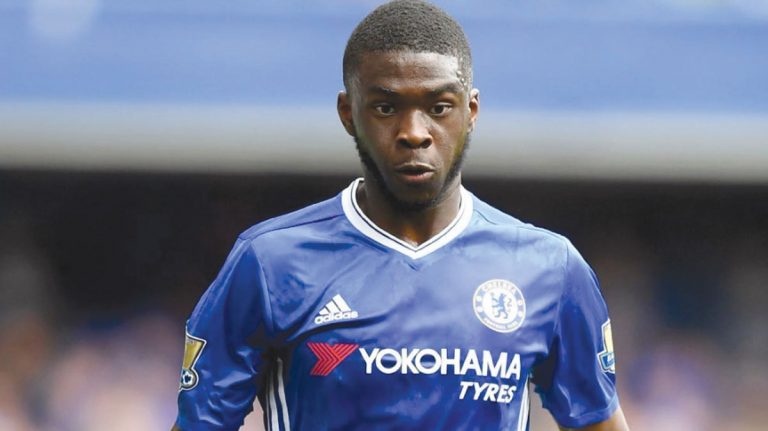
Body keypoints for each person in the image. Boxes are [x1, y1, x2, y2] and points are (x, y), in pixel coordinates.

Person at [172, 1, 630, 430]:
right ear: (348, 113)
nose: (414, 132)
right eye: (386, 107)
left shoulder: (549, 268)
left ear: (471, 111)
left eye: (439, 107)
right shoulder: (270, 262)